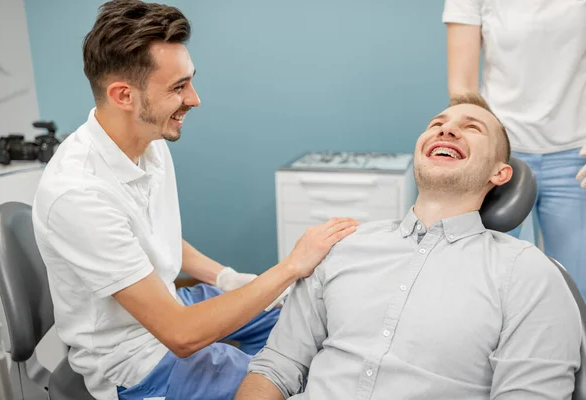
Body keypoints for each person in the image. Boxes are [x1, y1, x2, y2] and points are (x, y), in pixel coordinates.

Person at [31, 2, 359, 400]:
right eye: (177, 87)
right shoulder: (78, 194)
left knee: (304, 320)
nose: (195, 98)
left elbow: (154, 239)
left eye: (190, 81)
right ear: (124, 95)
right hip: (137, 359)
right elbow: (182, 335)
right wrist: (290, 266)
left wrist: (226, 277)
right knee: (282, 385)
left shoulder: (147, 141)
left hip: (169, 304)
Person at [235, 93, 582, 400]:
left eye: (472, 128)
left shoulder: (529, 274)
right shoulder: (342, 246)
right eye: (437, 123)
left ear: (500, 174)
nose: (446, 130)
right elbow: (275, 367)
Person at [443, 0, 586, 298]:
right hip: (501, 157)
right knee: (489, 285)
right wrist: (480, 154)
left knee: (576, 290)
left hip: (576, 156)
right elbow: (462, 89)